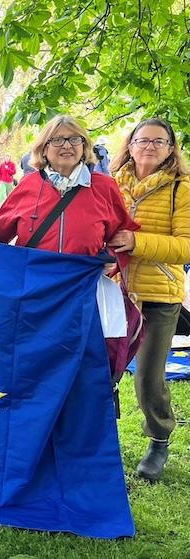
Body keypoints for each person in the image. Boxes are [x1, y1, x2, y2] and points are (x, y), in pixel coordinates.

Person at [108, 118, 190, 481]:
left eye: (160, 141)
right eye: (143, 140)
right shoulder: (111, 183)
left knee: (147, 378)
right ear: (130, 145)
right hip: (115, 290)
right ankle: (99, 438)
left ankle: (158, 438)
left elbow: (186, 246)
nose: (150, 147)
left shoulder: (182, 188)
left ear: (171, 149)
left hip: (159, 294)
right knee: (101, 370)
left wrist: (137, 242)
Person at [0, 115, 137, 256]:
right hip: (34, 273)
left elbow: (121, 238)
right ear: (44, 148)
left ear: (84, 146)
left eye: (74, 139)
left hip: (84, 274)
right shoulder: (27, 185)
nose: (67, 145)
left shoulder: (105, 186)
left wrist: (109, 260)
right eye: (57, 140)